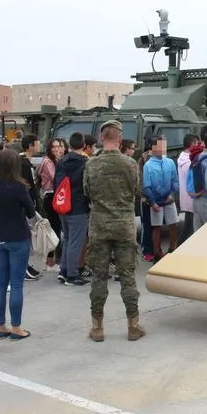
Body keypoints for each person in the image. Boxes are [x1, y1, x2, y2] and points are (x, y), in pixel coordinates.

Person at [83, 120, 145, 342]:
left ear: (101, 138)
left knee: (98, 278)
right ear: (119, 139)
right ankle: (133, 325)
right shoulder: (130, 164)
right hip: (124, 227)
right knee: (128, 277)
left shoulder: (91, 165)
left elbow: (87, 191)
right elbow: (137, 191)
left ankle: (97, 327)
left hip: (99, 227)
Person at [0, 149, 36, 341]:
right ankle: (16, 327)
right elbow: (31, 211)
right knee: (16, 284)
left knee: (0, 284)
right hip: (17, 235)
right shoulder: (18, 187)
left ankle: (0, 326)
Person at [54, 132, 90, 286]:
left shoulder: (62, 162)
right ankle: (72, 275)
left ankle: (63, 271)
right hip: (79, 206)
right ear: (83, 146)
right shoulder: (85, 163)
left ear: (68, 145)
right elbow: (87, 186)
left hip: (63, 205)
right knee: (76, 241)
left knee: (68, 239)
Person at [142, 136, 179, 259]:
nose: (163, 148)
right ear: (152, 149)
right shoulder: (148, 165)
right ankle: (157, 252)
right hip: (156, 201)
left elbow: (175, 180)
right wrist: (152, 202)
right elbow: (146, 186)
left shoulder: (170, 162)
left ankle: (172, 248)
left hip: (169, 200)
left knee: (173, 224)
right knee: (156, 226)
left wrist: (172, 194)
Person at [37, 137, 67, 273]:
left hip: (56, 196)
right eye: (54, 147)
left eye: (59, 146)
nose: (57, 149)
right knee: (53, 229)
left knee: (57, 228)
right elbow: (57, 178)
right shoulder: (48, 162)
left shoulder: (54, 161)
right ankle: (49, 262)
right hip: (51, 196)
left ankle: (52, 260)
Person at [18, 134, 43, 280]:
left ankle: (26, 265)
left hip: (27, 203)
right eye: (37, 143)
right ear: (31, 145)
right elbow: (28, 186)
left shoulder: (24, 161)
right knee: (26, 236)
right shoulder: (24, 164)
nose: (39, 145)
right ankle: (24, 267)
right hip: (26, 205)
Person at [176, 134, 198, 243]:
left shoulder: (182, 159)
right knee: (189, 229)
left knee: (189, 226)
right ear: (192, 144)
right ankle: (177, 250)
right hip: (192, 197)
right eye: (196, 143)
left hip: (187, 197)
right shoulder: (189, 162)